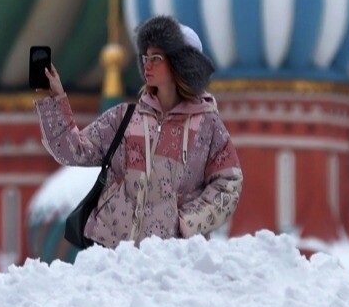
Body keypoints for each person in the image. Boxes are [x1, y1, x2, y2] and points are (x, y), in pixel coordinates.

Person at [34, 15, 242, 246]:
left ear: (181, 64)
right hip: (114, 253)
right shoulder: (125, 118)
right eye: (145, 57)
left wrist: (186, 223)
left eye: (156, 57)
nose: (147, 64)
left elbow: (228, 184)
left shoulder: (208, 127)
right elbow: (72, 151)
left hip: (172, 257)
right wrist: (56, 98)